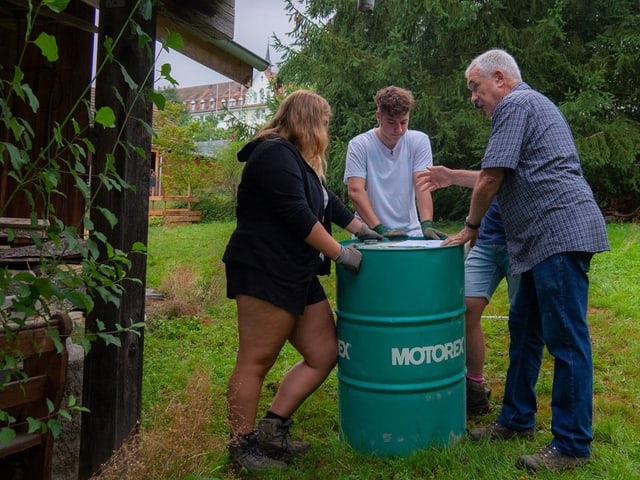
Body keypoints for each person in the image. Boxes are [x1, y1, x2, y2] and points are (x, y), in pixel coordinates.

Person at [443, 49, 609, 472]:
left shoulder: (516, 104)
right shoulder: (526, 106)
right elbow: (496, 173)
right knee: (525, 332)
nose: (473, 98)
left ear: (499, 78)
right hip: (537, 240)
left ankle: (572, 445)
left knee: (567, 340)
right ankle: (516, 420)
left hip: (558, 233)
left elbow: (491, 176)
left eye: (475, 88)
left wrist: (471, 226)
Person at [222, 90, 382, 472]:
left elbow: (329, 203)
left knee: (324, 352)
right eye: (324, 122)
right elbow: (296, 213)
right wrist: (340, 253)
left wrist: (371, 232)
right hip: (266, 267)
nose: (327, 130)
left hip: (297, 269)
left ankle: (272, 429)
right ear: (309, 120)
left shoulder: (296, 160)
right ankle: (241, 449)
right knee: (256, 359)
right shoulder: (273, 153)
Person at [418, 166, 519, 416]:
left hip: (521, 241)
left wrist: (469, 224)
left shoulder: (519, 131)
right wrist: (452, 177)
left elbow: (497, 180)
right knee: (466, 309)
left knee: (523, 321)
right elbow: (488, 178)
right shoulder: (501, 136)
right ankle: (474, 385)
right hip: (486, 240)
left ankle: (519, 403)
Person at [343, 86, 446, 240]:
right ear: (378, 116)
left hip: (410, 233)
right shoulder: (360, 144)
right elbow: (355, 191)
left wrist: (426, 224)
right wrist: (379, 228)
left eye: (404, 122)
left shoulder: (418, 141)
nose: (398, 129)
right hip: (369, 233)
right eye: (391, 122)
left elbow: (422, 185)